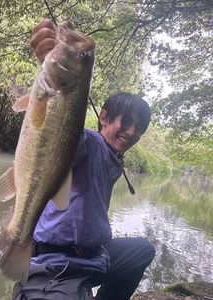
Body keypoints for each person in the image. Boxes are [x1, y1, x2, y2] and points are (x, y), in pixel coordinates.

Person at [12, 19, 155, 300]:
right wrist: (54, 68)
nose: (131, 132)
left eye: (139, 128)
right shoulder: (90, 142)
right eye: (126, 123)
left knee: (142, 250)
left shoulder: (114, 157)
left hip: (94, 255)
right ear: (104, 118)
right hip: (57, 263)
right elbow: (67, 138)